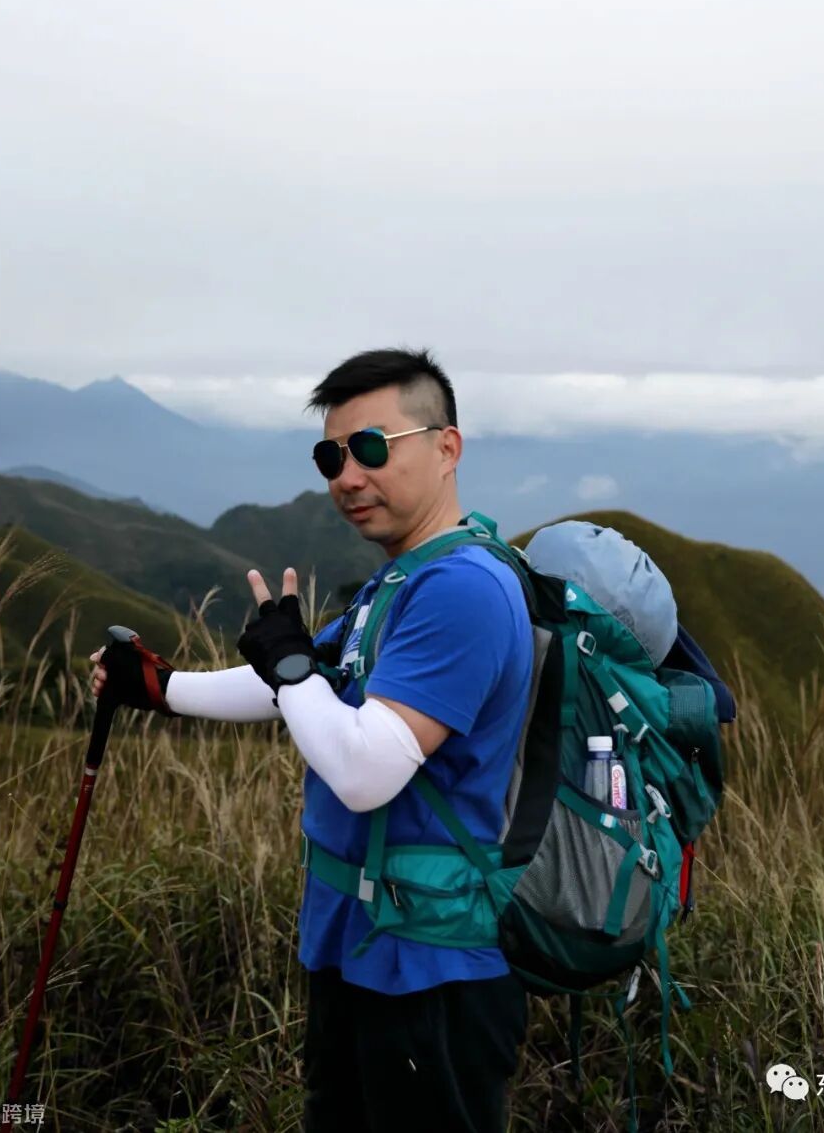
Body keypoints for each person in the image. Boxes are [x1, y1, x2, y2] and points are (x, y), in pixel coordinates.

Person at [89, 346, 534, 1133]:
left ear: (447, 447)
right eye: (332, 457)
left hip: (430, 969)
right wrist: (159, 688)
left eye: (371, 448)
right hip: (359, 946)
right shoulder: (402, 579)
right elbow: (297, 686)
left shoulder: (463, 590)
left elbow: (363, 770)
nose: (347, 477)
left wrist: (293, 667)